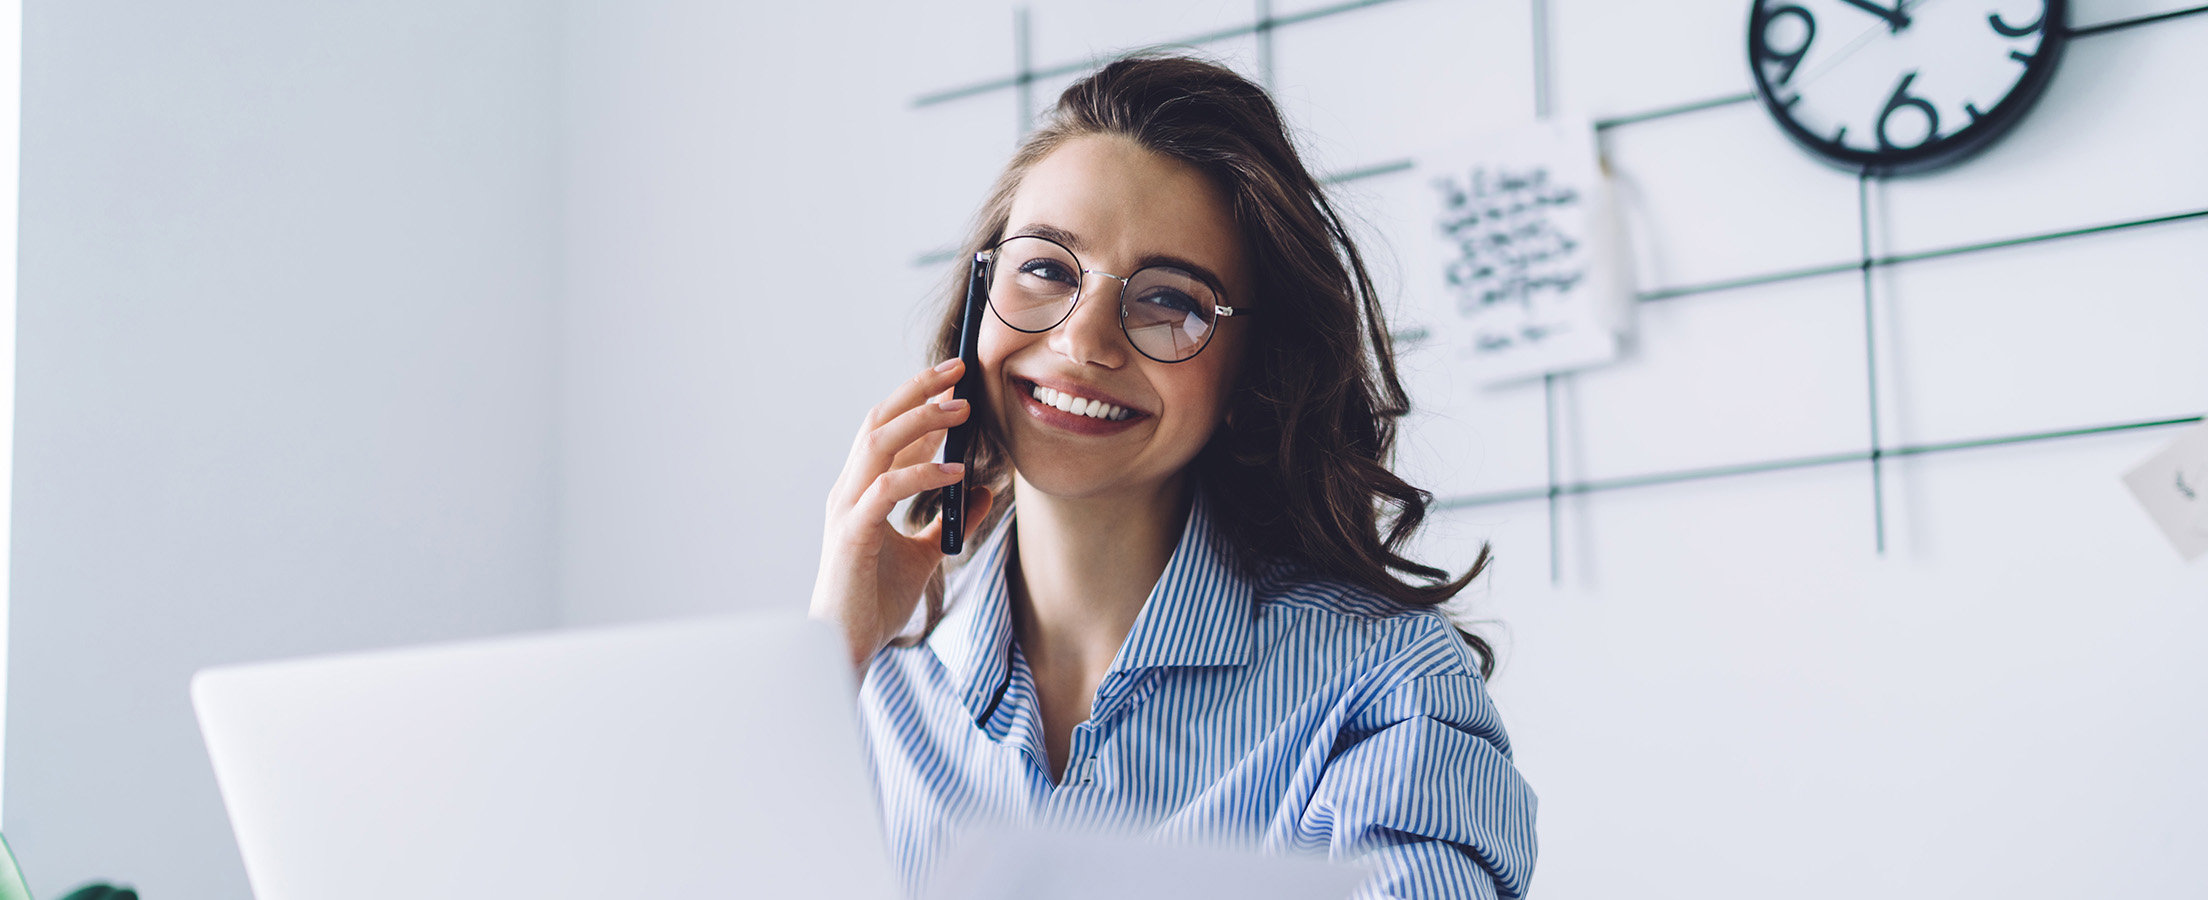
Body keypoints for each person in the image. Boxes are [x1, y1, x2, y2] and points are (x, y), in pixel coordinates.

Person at [810, 53, 1537, 900]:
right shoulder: (869, 684)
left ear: (1249, 379)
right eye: (1045, 268)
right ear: (981, 297)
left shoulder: (1387, 688)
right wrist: (828, 658)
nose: (1084, 342)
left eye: (1170, 301)